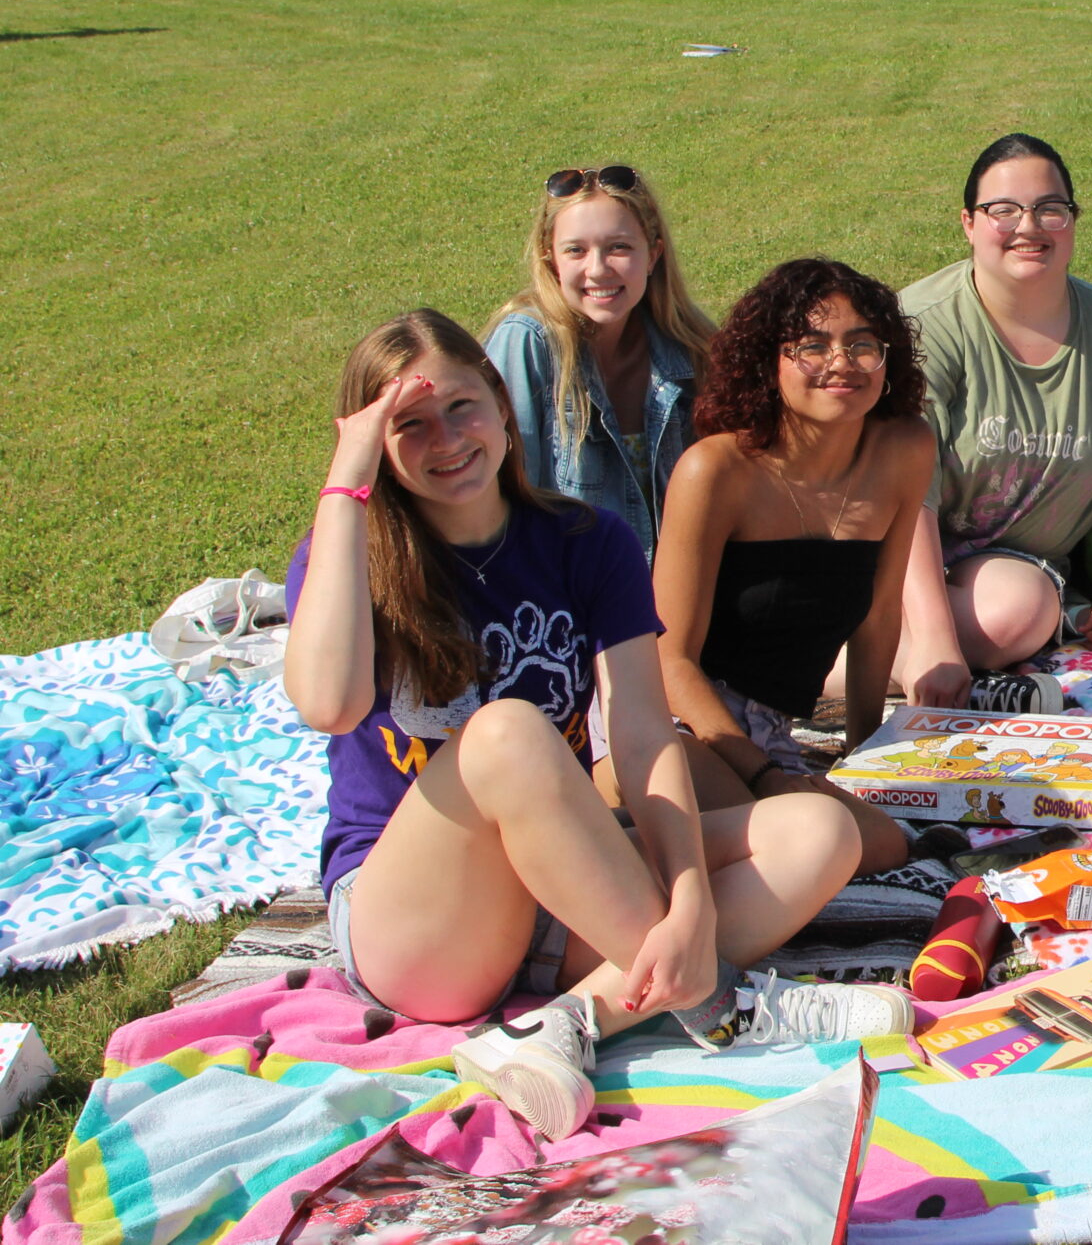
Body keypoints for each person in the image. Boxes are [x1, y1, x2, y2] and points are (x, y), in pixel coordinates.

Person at [281, 311, 910, 1147]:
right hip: (423, 931)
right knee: (506, 732)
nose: (447, 440)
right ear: (376, 445)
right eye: (409, 424)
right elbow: (327, 706)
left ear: (504, 406)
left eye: (463, 407)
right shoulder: (351, 552)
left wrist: (688, 897)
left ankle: (567, 1023)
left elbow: (646, 739)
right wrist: (345, 482)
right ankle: (722, 1001)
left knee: (818, 826)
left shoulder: (585, 540)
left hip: (563, 892)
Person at [891, 133, 1092, 709]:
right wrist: (933, 641)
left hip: (1001, 571)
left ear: (1072, 220)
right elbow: (905, 500)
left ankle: (847, 657)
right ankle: (847, 664)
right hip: (889, 549)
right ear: (968, 223)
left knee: (1021, 610)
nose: (1028, 226)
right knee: (1006, 617)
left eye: (1049, 209)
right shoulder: (922, 327)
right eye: (1002, 210)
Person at [649, 258, 935, 818]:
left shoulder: (904, 450)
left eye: (862, 345)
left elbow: (878, 618)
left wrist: (862, 755)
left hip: (771, 732)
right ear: (768, 363)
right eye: (811, 346)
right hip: (679, 724)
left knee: (879, 841)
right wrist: (763, 775)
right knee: (795, 839)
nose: (841, 364)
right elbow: (668, 659)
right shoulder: (715, 471)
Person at [487, 165, 717, 559]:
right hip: (569, 601)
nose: (597, 269)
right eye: (576, 250)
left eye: (619, 248)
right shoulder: (527, 343)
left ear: (653, 254)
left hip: (678, 599)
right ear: (551, 260)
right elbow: (498, 497)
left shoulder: (690, 345)